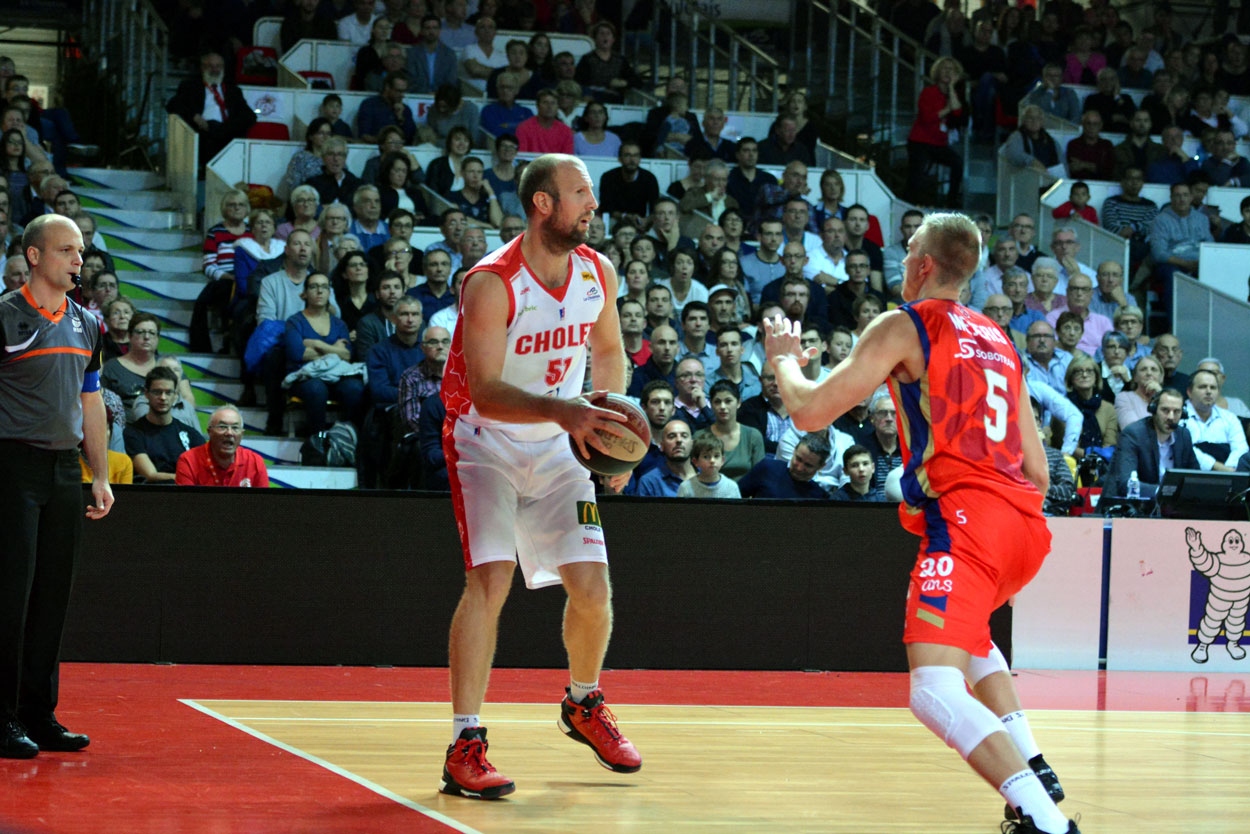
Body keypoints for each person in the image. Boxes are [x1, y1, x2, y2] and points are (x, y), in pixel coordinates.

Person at [763, 212, 1077, 834]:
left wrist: (783, 362)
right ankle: (1034, 762)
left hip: (968, 518)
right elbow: (1040, 471)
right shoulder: (1000, 339)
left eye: (908, 250)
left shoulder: (905, 324)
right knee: (971, 637)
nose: (902, 261)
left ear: (925, 264)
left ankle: (1044, 821)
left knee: (933, 689)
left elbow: (808, 412)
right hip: (1024, 528)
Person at [438, 153, 641, 800]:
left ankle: (583, 702)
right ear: (542, 205)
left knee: (593, 589)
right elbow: (488, 391)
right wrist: (569, 412)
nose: (593, 203)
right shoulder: (491, 282)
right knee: (489, 582)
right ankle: (464, 744)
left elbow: (608, 352)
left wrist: (606, 437)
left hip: (562, 444)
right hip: (485, 442)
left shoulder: (596, 272)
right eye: (580, 193)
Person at [0, 214, 112, 758]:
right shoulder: (3, 316)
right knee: (8, 597)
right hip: (10, 466)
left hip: (64, 469)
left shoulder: (88, 324)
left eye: (82, 250)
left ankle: (37, 715)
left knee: (51, 597)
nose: (78, 260)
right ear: (35, 257)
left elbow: (90, 402)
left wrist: (101, 474)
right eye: (67, 250)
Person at [164, 50, 256, 167]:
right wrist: (194, 116)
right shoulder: (190, 86)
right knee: (209, 135)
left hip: (226, 130)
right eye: (210, 66)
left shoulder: (233, 90)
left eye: (218, 66)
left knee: (225, 133)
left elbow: (250, 116)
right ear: (202, 68)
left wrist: (229, 126)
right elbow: (173, 105)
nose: (215, 70)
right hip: (201, 130)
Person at [1105, 387, 1198, 499]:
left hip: (1170, 508)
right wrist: (1164, 491)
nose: (1171, 417)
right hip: (1134, 508)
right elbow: (1126, 484)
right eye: (1165, 410)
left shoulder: (1183, 436)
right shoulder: (1134, 434)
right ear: (1153, 409)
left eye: (1177, 412)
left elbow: (1196, 477)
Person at [123, 366, 206, 483]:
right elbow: (151, 475)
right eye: (157, 392)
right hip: (150, 495)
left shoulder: (190, 434)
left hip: (185, 495)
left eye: (168, 392)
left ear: (176, 396)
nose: (163, 397)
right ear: (146, 394)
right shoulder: (133, 432)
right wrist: (187, 478)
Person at [905, 56, 966, 206]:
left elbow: (957, 112)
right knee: (917, 174)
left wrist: (951, 88)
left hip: (939, 143)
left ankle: (951, 201)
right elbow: (928, 117)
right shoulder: (928, 92)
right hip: (920, 141)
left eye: (951, 70)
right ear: (937, 72)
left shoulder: (954, 94)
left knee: (958, 163)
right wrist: (947, 110)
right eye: (944, 69)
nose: (948, 72)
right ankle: (910, 203)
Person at [174, 406, 268, 487]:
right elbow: (186, 504)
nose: (229, 433)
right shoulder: (188, 460)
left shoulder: (255, 462)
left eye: (235, 428)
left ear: (242, 434)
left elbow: (264, 503)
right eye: (222, 427)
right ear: (209, 432)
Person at [737, 431, 831, 499]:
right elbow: (735, 496)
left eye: (808, 465)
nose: (799, 468)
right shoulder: (767, 469)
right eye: (798, 459)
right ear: (794, 451)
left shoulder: (819, 496)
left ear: (821, 466)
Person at [676, 429, 741, 498]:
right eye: (706, 456)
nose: (712, 460)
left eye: (716, 456)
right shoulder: (686, 488)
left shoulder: (731, 487)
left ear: (722, 460)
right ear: (696, 462)